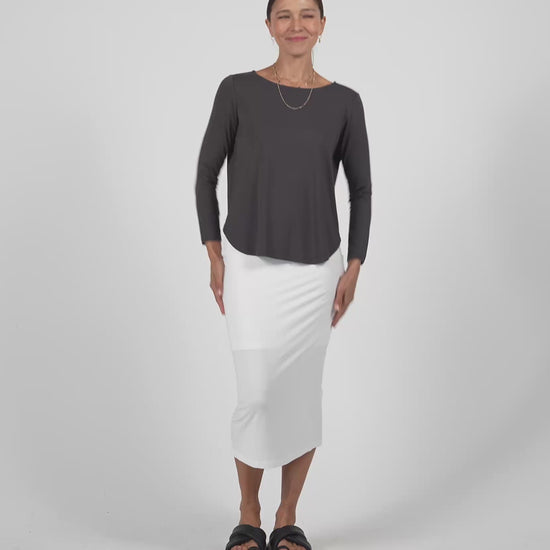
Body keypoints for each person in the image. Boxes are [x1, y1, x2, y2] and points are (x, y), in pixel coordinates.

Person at [194, 1, 372, 548]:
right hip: (248, 264)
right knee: (256, 393)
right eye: (285, 15)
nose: (297, 25)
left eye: (308, 15)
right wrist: (214, 252)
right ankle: (247, 511)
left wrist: (355, 264)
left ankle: (286, 517)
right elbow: (206, 174)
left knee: (299, 395)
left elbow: (361, 189)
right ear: (269, 25)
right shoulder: (237, 91)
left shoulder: (345, 102)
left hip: (317, 271)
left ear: (323, 25)